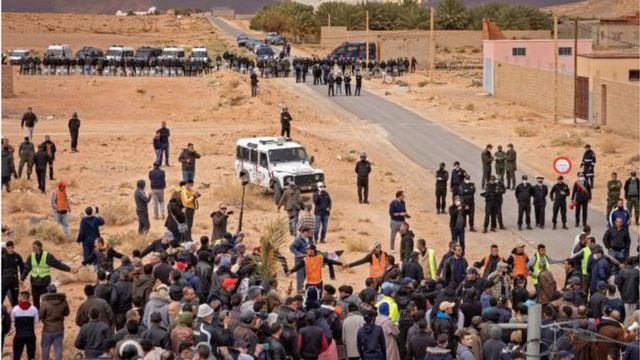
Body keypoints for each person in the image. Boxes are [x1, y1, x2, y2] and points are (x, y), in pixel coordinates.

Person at [39, 284, 70, 360]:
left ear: (48, 292)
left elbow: (40, 316)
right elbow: (67, 313)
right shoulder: (63, 301)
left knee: (45, 349)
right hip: (59, 328)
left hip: (47, 329)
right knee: (58, 348)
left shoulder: (45, 303)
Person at [11, 291, 39, 360]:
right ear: (29, 298)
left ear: (21, 298)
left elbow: (12, 320)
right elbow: (36, 321)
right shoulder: (34, 309)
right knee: (31, 356)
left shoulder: (15, 309)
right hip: (30, 335)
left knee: (17, 356)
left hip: (19, 335)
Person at [2, 241, 25, 307]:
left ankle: (16, 314)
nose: (10, 249)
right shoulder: (2, 257)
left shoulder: (17, 256)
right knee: (1, 297)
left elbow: (22, 268)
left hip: (14, 281)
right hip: (4, 281)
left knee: (15, 299)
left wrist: (22, 279)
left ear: (13, 247)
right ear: (6, 248)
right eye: (9, 248)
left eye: (11, 248)